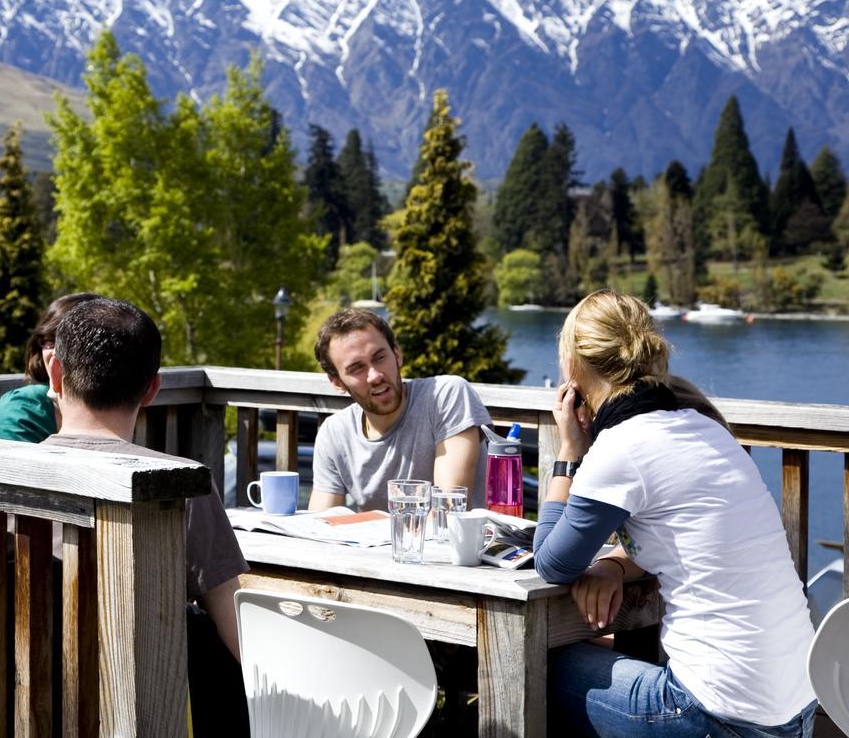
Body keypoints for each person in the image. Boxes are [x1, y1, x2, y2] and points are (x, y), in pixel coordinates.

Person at [533, 289, 816, 737]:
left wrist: (568, 453)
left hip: (716, 716)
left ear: (572, 370)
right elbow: (690, 540)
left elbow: (551, 562)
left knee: (544, 664)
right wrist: (612, 565)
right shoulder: (705, 428)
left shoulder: (621, 447)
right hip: (797, 711)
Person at [42, 297, 250, 733]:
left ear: (56, 374)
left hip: (29, 705)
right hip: (137, 715)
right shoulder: (180, 485)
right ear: (152, 389)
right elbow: (240, 635)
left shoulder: (4, 476)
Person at [308, 307, 491, 511]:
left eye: (379, 358)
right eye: (357, 368)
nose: (375, 375)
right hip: (382, 542)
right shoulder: (334, 433)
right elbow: (320, 525)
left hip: (468, 543)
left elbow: (447, 511)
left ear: (397, 354)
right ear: (337, 382)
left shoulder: (446, 396)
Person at [0, 292, 100, 442]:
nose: (56, 352)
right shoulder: (21, 410)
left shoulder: (124, 404)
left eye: (72, 341)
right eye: (49, 340)